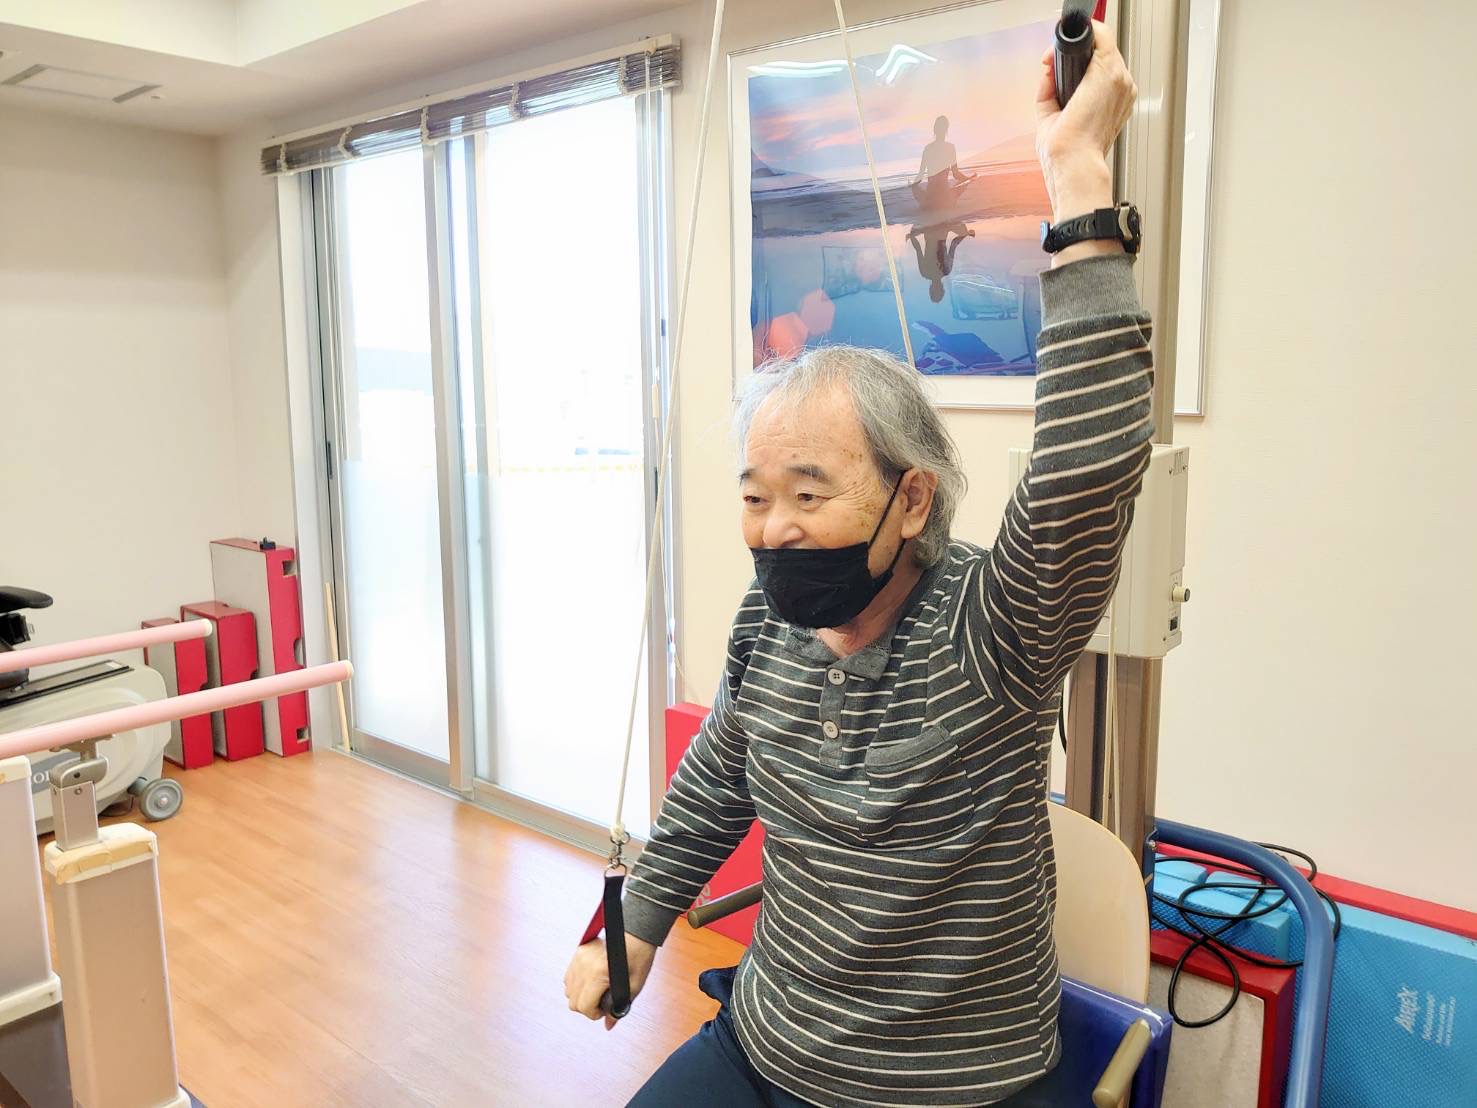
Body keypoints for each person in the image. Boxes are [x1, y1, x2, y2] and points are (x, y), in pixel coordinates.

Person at [565, 21, 1147, 1107]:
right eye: (754, 497)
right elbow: (718, 778)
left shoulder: (994, 628)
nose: (774, 530)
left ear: (909, 497)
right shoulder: (769, 624)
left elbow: (1086, 469)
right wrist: (635, 924)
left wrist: (1076, 176)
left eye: (808, 493)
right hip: (767, 1044)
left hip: (949, 1086)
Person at [911, 115, 976, 211]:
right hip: (945, 198)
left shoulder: (928, 149)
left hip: (930, 198)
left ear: (934, 130)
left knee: (915, 187)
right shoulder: (950, 148)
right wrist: (969, 179)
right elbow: (956, 174)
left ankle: (927, 202)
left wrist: (913, 185)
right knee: (963, 182)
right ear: (946, 130)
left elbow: (920, 176)